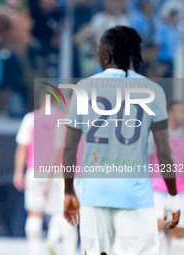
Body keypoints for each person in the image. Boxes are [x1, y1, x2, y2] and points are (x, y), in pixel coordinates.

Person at [63, 26, 181, 255]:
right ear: (133, 54)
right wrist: (173, 195)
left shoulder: (84, 88)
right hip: (135, 195)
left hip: (94, 193)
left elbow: (69, 148)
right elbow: (164, 151)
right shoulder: (152, 90)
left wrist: (68, 191)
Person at [13, 89, 78, 255]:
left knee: (34, 214)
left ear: (40, 101)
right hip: (58, 173)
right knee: (59, 212)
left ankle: (35, 251)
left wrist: (18, 172)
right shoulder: (65, 119)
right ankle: (52, 242)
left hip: (34, 170)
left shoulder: (30, 119)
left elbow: (22, 147)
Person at [149, 100, 184, 255]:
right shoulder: (155, 134)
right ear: (170, 114)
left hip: (180, 191)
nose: (183, 115)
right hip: (157, 189)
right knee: (156, 231)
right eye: (180, 111)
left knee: (178, 234)